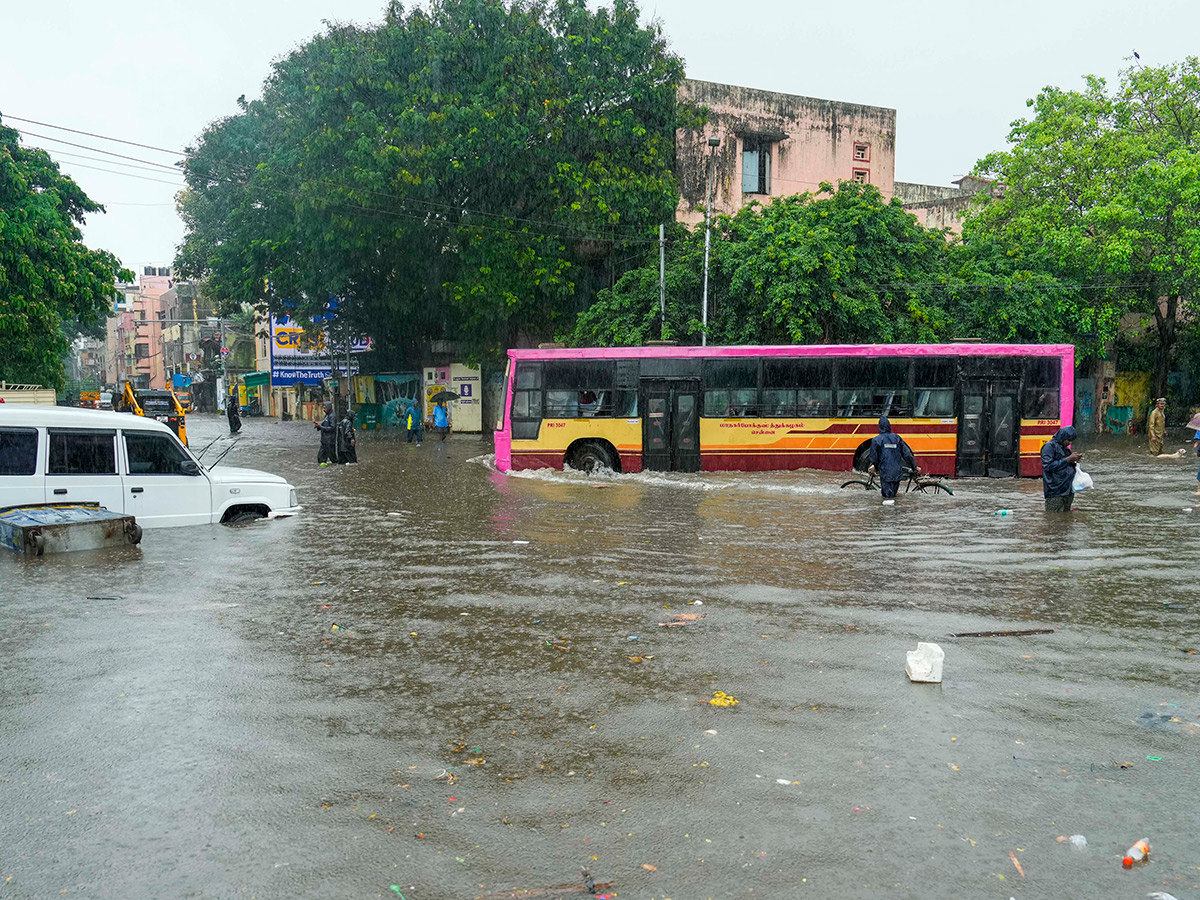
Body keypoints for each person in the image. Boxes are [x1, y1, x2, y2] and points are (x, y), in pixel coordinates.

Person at [867, 416, 918, 500]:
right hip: (897, 473)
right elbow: (907, 454)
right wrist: (914, 466)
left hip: (886, 473)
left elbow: (874, 457)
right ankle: (895, 512)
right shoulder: (897, 438)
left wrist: (874, 467)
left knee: (887, 498)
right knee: (894, 496)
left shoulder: (876, 440)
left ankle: (888, 512)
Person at [1041, 425, 1081, 512]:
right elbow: (1048, 466)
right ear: (1063, 437)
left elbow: (1066, 465)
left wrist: (1074, 461)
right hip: (1055, 491)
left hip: (1067, 490)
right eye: (1068, 440)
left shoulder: (1065, 449)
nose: (1069, 443)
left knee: (1065, 519)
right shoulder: (1049, 447)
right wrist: (1068, 459)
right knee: (1054, 518)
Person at [315, 401, 337, 465]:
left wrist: (321, 427)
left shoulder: (332, 416)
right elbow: (324, 426)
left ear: (329, 407)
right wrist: (318, 427)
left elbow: (332, 428)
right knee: (320, 458)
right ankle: (322, 469)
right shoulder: (327, 416)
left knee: (333, 458)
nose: (324, 410)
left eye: (325, 408)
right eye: (323, 408)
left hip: (329, 441)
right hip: (324, 441)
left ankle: (337, 467)